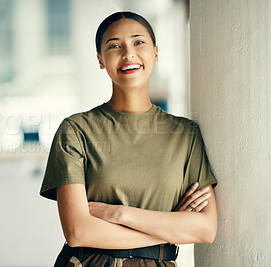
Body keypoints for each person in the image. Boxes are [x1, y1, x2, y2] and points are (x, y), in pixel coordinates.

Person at [39, 11, 218, 267]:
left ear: (155, 52)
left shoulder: (185, 134)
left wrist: (117, 213)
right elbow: (79, 232)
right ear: (100, 59)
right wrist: (171, 226)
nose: (128, 54)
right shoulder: (76, 130)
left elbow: (205, 229)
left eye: (138, 42)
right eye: (114, 46)